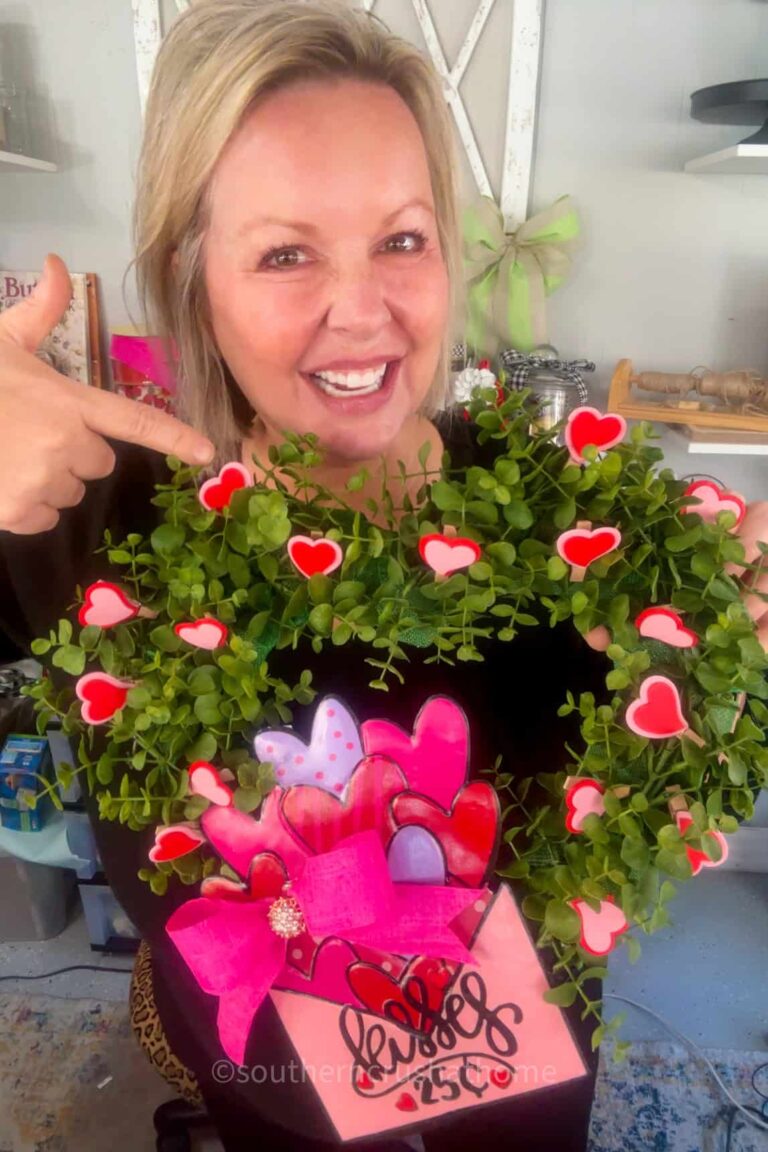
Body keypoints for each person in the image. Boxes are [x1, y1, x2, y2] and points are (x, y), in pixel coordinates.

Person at [0, 2, 766, 1150]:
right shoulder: (87, 513)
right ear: (191, 273)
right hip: (261, 1097)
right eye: (285, 252)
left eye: (402, 239)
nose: (362, 313)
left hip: (520, 1094)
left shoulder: (587, 542)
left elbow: (691, 769)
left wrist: (728, 660)